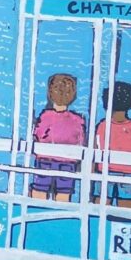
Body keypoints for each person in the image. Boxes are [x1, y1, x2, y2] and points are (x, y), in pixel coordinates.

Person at [91, 81, 131, 210]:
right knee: (127, 208)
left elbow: (95, 149)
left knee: (100, 206)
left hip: (106, 171)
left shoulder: (102, 126)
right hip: (126, 174)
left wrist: (91, 171)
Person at [30, 73, 85, 202]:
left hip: (45, 161)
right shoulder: (77, 120)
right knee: (63, 195)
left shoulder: (46, 116)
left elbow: (38, 136)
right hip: (68, 163)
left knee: (39, 191)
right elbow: (80, 141)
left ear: (50, 93)